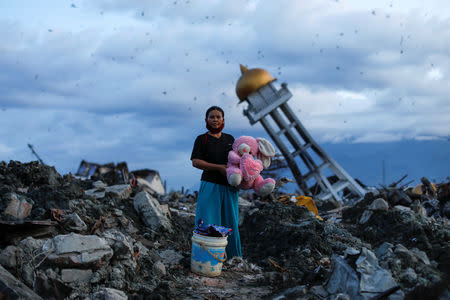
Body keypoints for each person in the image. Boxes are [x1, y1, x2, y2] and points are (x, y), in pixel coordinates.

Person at [190, 106, 242, 258]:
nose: (215, 119)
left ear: (223, 120)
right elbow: (196, 162)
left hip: (230, 186)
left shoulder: (230, 139)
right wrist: (218, 167)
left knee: (230, 222)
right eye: (212, 117)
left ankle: (233, 258)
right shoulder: (202, 139)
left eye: (218, 117)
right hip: (210, 184)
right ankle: (206, 257)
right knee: (208, 220)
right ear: (206, 120)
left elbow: (238, 160)